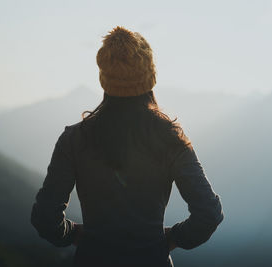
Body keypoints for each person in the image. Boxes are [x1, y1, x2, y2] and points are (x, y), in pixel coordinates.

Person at [31, 26, 224, 267]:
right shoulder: (170, 138)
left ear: (105, 77)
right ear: (149, 75)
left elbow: (45, 217)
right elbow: (209, 214)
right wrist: (170, 239)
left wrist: (73, 235)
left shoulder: (74, 139)